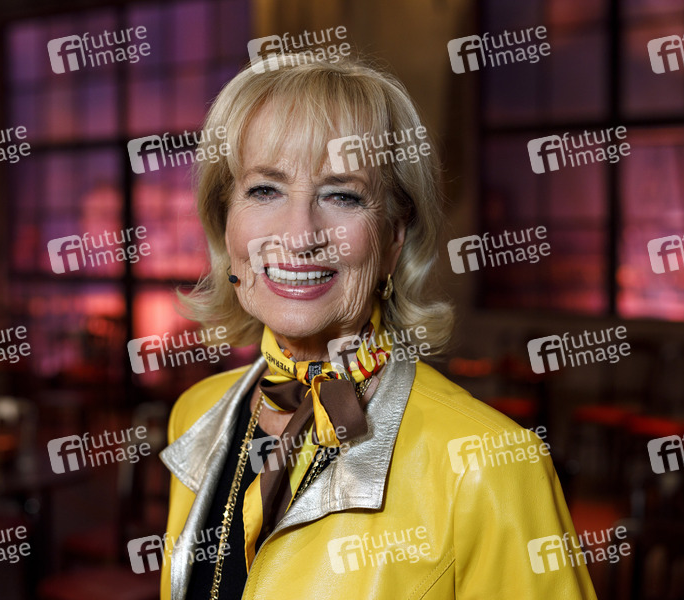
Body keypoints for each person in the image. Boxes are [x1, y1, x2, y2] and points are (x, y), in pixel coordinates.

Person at [159, 54, 596, 600]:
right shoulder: (197, 414)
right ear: (225, 223)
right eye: (265, 190)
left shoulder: (491, 462)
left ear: (393, 238)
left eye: (342, 195)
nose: (299, 236)